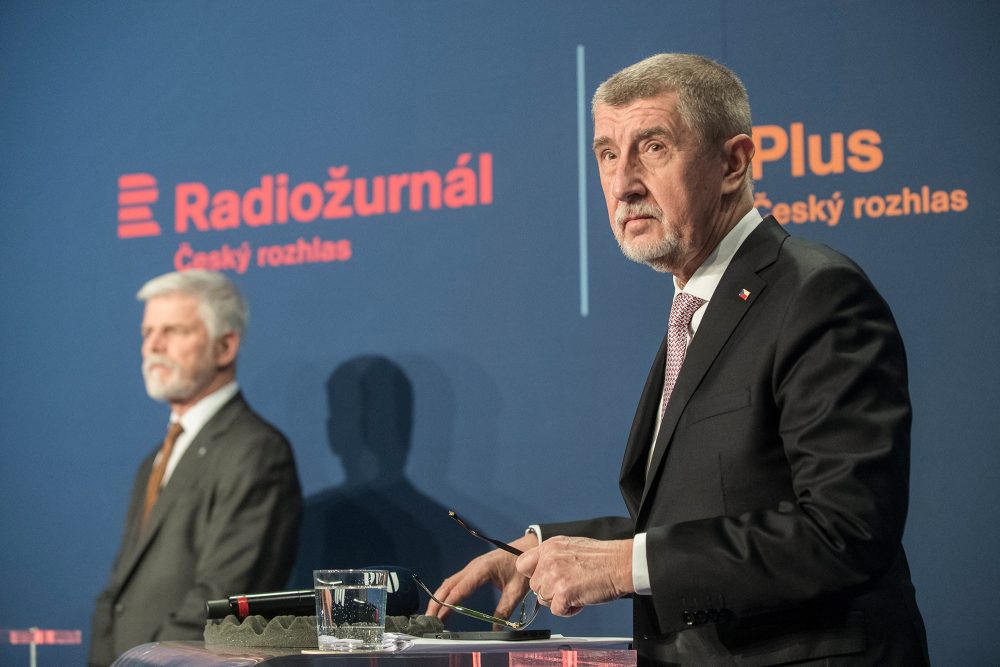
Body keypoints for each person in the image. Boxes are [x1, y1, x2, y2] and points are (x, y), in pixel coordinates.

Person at [427, 54, 929, 665]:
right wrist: (547, 548)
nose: (623, 182)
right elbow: (705, 513)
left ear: (733, 162)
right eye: (608, 154)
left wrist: (626, 565)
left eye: (653, 147)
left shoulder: (815, 294)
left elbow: (844, 530)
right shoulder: (697, 305)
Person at [88, 270, 303, 667]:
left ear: (224, 346)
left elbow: (220, 603)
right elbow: (118, 597)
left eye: (173, 330)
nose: (153, 345)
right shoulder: (154, 459)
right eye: (147, 331)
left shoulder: (256, 451)